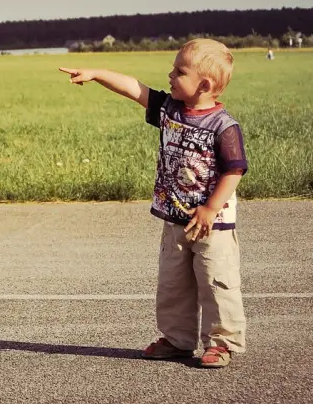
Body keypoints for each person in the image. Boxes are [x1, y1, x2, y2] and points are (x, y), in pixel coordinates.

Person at [59, 38, 248, 368]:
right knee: (173, 284)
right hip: (175, 219)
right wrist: (96, 74)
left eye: (180, 71)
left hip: (212, 224)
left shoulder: (223, 126)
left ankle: (222, 342)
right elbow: (134, 88)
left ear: (204, 85)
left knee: (217, 282)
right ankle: (177, 340)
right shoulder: (168, 110)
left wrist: (211, 208)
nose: (170, 75)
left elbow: (234, 171)